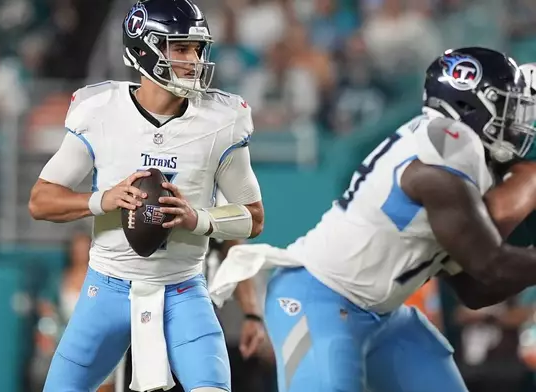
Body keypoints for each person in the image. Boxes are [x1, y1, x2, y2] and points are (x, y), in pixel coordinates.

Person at [209, 47, 536, 392]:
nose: (517, 123)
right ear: (470, 106)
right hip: (318, 298)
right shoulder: (441, 162)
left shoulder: (457, 159)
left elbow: (475, 289)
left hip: (385, 316)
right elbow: (491, 266)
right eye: (508, 107)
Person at [28, 0, 264, 391]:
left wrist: (199, 218)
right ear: (143, 49)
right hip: (107, 287)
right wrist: (101, 200)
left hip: (183, 288)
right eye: (181, 48)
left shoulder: (222, 120)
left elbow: (254, 218)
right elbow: (40, 200)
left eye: (197, 48)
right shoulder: (101, 110)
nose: (194, 59)